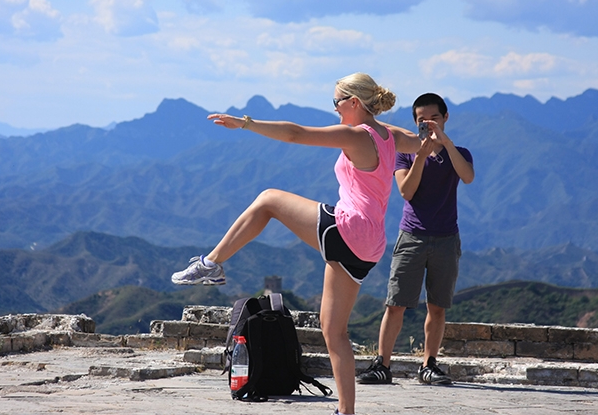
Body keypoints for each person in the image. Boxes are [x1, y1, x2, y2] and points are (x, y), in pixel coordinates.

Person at [171, 73, 420, 415]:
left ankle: (211, 263)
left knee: (269, 199)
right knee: (334, 331)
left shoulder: (355, 134)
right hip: (371, 244)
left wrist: (246, 123)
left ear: (353, 103)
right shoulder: (389, 136)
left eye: (336, 102)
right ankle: (345, 411)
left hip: (349, 230)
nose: (334, 109)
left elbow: (295, 133)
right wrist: (435, 136)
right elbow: (421, 143)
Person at [357, 92, 474, 386]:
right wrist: (421, 154)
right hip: (412, 235)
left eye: (434, 118)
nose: (429, 124)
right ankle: (382, 364)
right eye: (423, 121)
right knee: (395, 303)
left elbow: (468, 176)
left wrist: (444, 144)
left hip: (447, 237)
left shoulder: (459, 152)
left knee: (437, 306)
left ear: (445, 118)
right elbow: (406, 191)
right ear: (415, 124)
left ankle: (429, 365)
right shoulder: (405, 154)